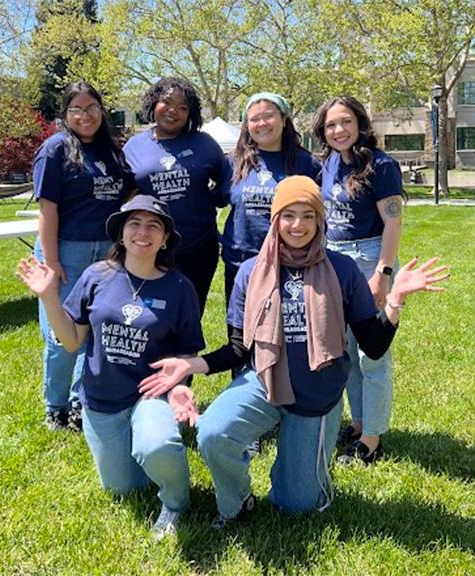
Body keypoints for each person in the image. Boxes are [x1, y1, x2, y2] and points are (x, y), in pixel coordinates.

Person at [138, 176, 448, 527]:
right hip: (265, 379)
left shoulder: (342, 269)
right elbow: (240, 349)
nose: (297, 225)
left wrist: (395, 300)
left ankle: (300, 466)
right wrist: (191, 365)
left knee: (297, 505)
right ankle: (239, 502)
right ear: (275, 220)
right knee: (212, 432)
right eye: (288, 215)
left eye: (308, 216)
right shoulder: (251, 272)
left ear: (320, 221)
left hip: (317, 390)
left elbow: (373, 346)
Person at [17, 195, 204, 539]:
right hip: (102, 401)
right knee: (123, 489)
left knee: (157, 448)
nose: (142, 232)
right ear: (121, 233)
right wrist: (48, 296)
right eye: (134, 223)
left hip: (150, 394)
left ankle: (177, 501)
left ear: (164, 239)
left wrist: (179, 386)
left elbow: (187, 354)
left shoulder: (179, 288)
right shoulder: (96, 277)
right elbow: (72, 341)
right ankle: (143, 455)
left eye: (153, 226)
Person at [33, 80, 134, 431]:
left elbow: (128, 189)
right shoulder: (55, 150)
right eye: (76, 109)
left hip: (105, 252)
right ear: (65, 114)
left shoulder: (111, 151)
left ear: (101, 111)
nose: (85, 115)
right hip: (65, 249)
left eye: (91, 108)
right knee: (62, 334)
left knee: (92, 328)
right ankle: (55, 404)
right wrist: (52, 261)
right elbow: (48, 209)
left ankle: (80, 401)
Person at [311, 95, 404, 464]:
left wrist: (382, 274)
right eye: (331, 125)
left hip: (370, 258)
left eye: (345, 122)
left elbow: (393, 222)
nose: (339, 130)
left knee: (373, 353)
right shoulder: (328, 164)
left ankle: (372, 437)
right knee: (345, 349)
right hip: (335, 260)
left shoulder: (381, 166)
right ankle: (359, 421)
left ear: (360, 123)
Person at [123, 77, 231, 316]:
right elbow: (124, 191)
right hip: (151, 246)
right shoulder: (133, 146)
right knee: (150, 312)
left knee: (191, 312)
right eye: (167, 102)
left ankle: (185, 354)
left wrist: (213, 199)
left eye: (184, 108)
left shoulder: (204, 143)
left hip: (198, 245)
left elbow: (226, 178)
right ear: (153, 103)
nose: (174, 111)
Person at [222, 92, 321, 305]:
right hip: (239, 262)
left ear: (284, 120)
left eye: (269, 116)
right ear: (247, 125)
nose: (262, 123)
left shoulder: (306, 164)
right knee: (240, 331)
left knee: (284, 331)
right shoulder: (233, 162)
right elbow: (214, 200)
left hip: (289, 262)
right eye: (254, 119)